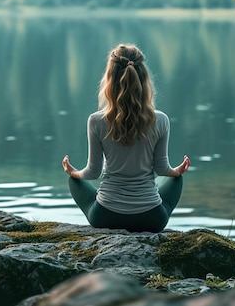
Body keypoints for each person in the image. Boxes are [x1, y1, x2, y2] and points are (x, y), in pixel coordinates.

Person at [62, 43, 190, 233]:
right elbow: (162, 169)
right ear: (144, 78)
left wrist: (74, 173)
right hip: (152, 219)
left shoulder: (96, 121)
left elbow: (93, 172)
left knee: (74, 181)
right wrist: (176, 171)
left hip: (106, 216)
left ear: (109, 80)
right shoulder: (160, 120)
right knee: (176, 180)